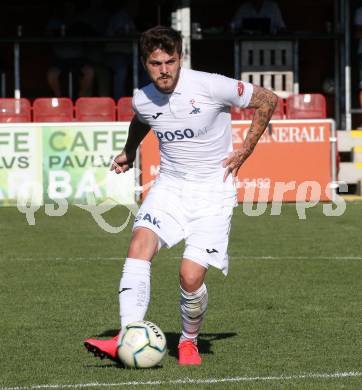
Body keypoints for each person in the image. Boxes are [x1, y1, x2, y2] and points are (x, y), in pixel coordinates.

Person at [84, 25, 277, 366]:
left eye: (170, 61)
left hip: (212, 193)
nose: (165, 70)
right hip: (169, 187)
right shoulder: (142, 97)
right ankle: (127, 334)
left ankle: (189, 340)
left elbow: (267, 100)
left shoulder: (209, 85)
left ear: (180, 58)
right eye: (156, 64)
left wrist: (245, 150)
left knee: (190, 277)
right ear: (145, 63)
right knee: (139, 245)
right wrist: (130, 150)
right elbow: (142, 118)